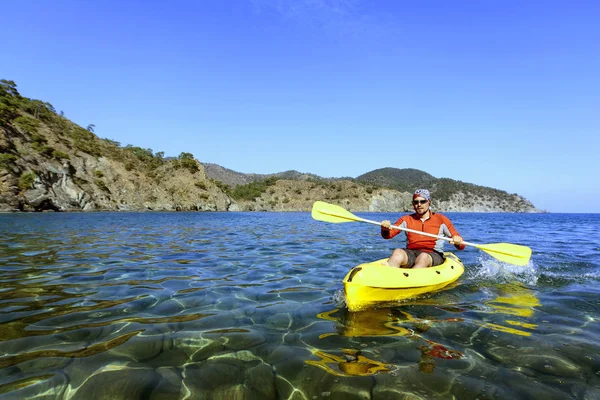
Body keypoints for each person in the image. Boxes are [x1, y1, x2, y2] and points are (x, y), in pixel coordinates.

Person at [381, 189, 465, 269]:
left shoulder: (441, 220)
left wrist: (457, 241)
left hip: (433, 254)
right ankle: (386, 278)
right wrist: (385, 229)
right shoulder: (406, 219)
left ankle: (412, 281)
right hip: (412, 252)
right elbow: (388, 235)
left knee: (423, 257)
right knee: (397, 252)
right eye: (416, 202)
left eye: (423, 201)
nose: (419, 204)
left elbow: (461, 246)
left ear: (429, 202)